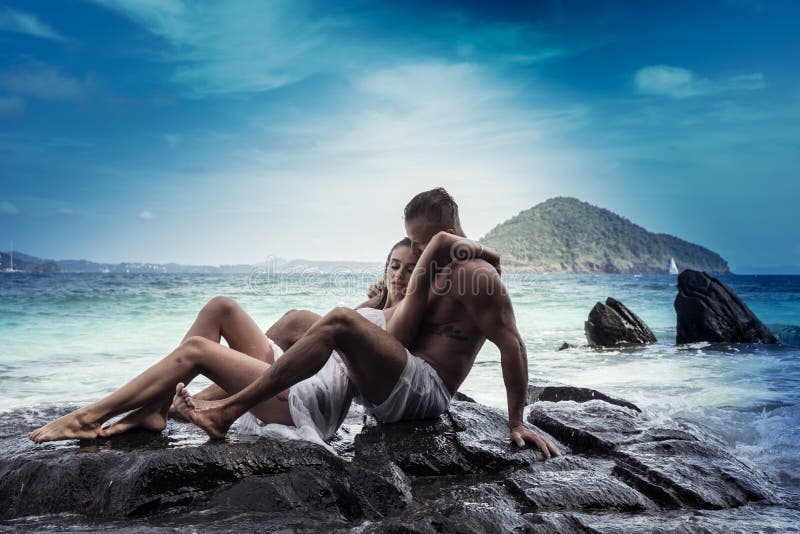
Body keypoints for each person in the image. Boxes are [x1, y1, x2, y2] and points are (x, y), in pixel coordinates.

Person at [174, 188, 560, 458]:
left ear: (447, 229)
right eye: (411, 240)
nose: (417, 250)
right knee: (298, 321)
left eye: (423, 241)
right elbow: (393, 321)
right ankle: (213, 398)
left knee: (339, 323)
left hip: (419, 392)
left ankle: (236, 406)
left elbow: (513, 345)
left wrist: (516, 422)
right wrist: (384, 295)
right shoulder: (434, 266)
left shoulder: (475, 276)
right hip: (389, 377)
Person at [27, 238, 418, 445]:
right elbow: (340, 334)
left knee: (197, 352)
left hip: (309, 399)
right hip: (299, 377)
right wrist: (376, 297)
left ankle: (87, 418)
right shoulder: (380, 304)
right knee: (221, 307)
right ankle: (155, 408)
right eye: (394, 265)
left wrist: (389, 301)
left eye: (411, 268)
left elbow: (364, 349)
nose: (400, 274)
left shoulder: (411, 318)